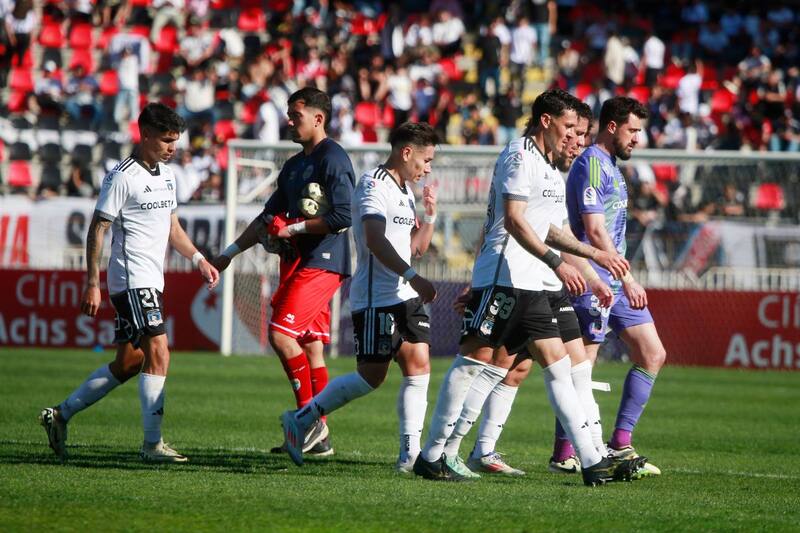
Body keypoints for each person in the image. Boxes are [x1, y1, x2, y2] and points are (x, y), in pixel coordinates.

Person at [413, 89, 643, 486]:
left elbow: (553, 229)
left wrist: (594, 261)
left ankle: (592, 460)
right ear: (546, 121)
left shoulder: (549, 167)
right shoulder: (519, 156)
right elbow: (514, 220)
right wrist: (557, 263)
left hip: (532, 282)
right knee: (476, 362)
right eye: (569, 127)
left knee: (556, 366)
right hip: (506, 277)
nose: (573, 136)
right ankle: (435, 453)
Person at [39, 103, 220, 462]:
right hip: (132, 279)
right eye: (166, 140)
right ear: (146, 134)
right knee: (159, 351)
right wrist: (93, 283)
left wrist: (199, 259)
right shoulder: (122, 176)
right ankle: (153, 445)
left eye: (175, 141)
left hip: (151, 280)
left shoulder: (167, 175)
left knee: (129, 362)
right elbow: (98, 227)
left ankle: (60, 415)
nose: (172, 148)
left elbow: (172, 228)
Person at [280, 122, 439, 469]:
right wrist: (413, 277)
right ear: (406, 152)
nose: (427, 169)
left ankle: (410, 455)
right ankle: (303, 418)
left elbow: (415, 248)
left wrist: (430, 215)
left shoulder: (405, 192)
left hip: (404, 294)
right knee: (371, 377)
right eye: (425, 160)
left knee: (419, 364)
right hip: (375, 298)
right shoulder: (373, 184)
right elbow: (373, 240)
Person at [212, 88, 355, 457]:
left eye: (296, 116)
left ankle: (308, 423)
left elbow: (344, 216)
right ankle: (321, 438)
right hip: (303, 261)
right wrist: (228, 255)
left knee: (280, 334)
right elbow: (266, 219)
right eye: (289, 115)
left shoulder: (334, 158)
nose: (289, 122)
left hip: (324, 261)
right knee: (311, 347)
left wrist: (292, 229)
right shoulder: (292, 167)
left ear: (318, 119)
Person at [566, 96, 666, 476]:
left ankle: (620, 443)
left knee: (652, 353)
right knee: (582, 367)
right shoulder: (592, 163)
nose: (638, 138)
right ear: (612, 127)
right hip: (593, 278)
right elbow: (593, 230)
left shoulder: (611, 167)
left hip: (617, 280)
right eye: (633, 130)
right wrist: (626, 277)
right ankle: (566, 453)